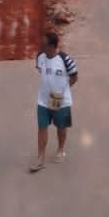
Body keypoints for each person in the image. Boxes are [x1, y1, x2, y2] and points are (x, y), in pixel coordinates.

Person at [29, 31, 78, 172]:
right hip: (43, 100)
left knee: (60, 127)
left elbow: (74, 77)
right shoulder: (40, 57)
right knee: (42, 127)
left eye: (43, 45)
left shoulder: (65, 60)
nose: (41, 47)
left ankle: (60, 150)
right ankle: (40, 158)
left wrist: (62, 91)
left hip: (60, 101)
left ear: (51, 46)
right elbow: (41, 71)